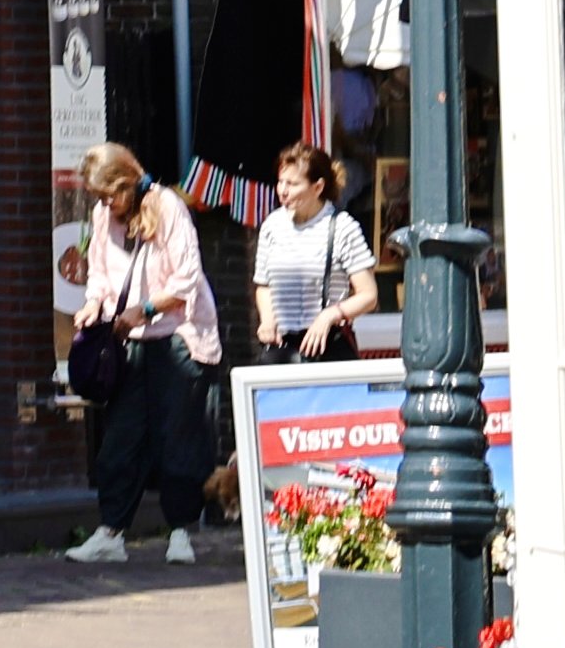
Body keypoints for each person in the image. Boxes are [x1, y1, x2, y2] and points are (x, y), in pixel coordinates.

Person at [64, 146, 223, 564]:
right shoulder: (104, 216)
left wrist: (146, 309)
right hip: (130, 338)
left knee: (178, 437)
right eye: (98, 197)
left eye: (108, 195)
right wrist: (92, 305)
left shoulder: (168, 207)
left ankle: (180, 533)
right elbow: (100, 272)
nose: (103, 204)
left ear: (126, 184)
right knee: (121, 436)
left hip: (180, 337)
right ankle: (111, 533)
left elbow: (187, 279)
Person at [254, 146, 380, 364]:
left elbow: (368, 295)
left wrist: (329, 315)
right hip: (281, 349)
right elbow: (264, 285)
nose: (282, 191)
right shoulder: (272, 226)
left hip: (326, 348)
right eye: (280, 182)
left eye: (292, 184)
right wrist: (267, 320)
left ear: (317, 187)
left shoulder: (342, 227)